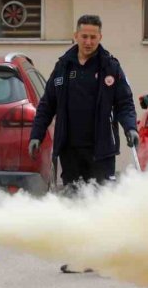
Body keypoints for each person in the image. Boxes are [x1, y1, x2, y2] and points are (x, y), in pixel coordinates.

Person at [27, 14, 138, 274]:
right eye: (84, 36)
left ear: (100, 37)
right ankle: (82, 255)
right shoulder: (63, 66)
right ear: (75, 36)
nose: (88, 41)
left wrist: (130, 127)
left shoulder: (110, 67)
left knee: (99, 202)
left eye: (93, 37)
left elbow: (124, 103)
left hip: (101, 149)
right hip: (70, 149)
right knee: (76, 201)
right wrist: (37, 133)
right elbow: (47, 105)